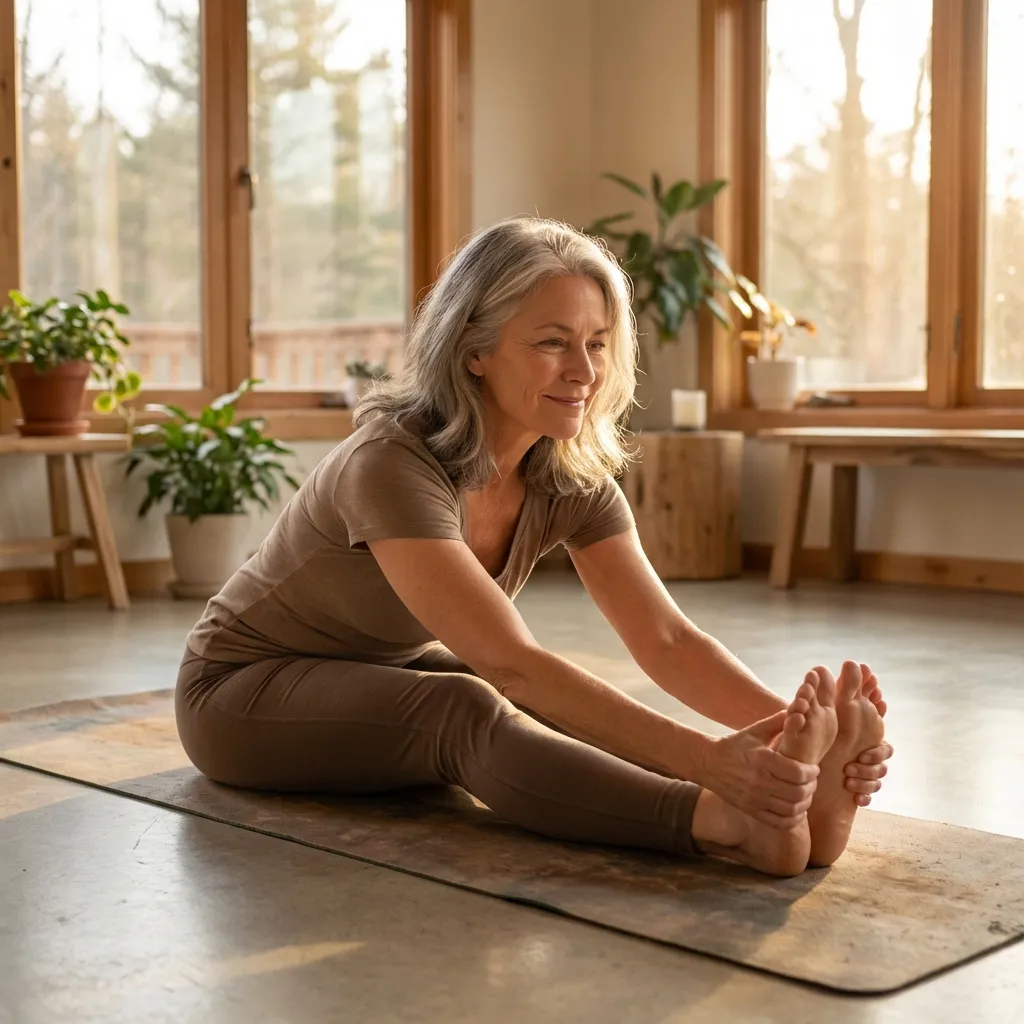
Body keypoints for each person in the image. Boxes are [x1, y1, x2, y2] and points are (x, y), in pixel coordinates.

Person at [175, 217, 893, 877]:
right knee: (467, 705)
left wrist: (798, 743)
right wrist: (709, 764)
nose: (583, 370)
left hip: (370, 677)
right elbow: (512, 663)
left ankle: (777, 805)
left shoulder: (564, 471)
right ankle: (725, 825)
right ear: (474, 350)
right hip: (237, 695)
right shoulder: (391, 465)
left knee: (547, 696)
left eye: (597, 343)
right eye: (552, 342)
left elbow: (667, 638)